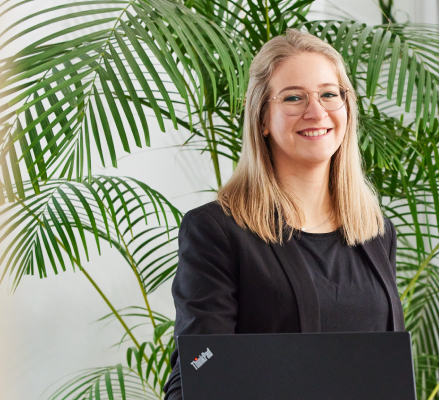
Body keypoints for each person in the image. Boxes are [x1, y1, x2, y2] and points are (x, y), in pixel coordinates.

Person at [162, 29, 404, 400]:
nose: (316, 112)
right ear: (262, 118)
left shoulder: (376, 232)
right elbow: (199, 368)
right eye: (293, 97)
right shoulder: (217, 231)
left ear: (347, 107)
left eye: (329, 94)